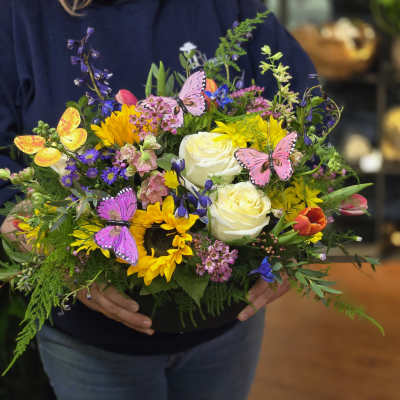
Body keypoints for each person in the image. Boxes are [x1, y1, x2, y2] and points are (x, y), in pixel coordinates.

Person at [0, 1, 316, 399]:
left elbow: (304, 109)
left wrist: (299, 236)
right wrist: (48, 248)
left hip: (226, 327)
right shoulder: (19, 14)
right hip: (92, 345)